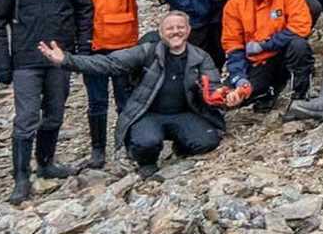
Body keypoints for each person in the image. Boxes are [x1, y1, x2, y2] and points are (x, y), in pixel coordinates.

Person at [40, 0, 168, 170]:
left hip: (124, 47)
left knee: (125, 100)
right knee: (96, 101)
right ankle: (98, 151)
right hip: (94, 46)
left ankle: (127, 145)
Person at [37, 10, 224, 179]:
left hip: (184, 114)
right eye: (170, 28)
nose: (176, 32)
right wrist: (66, 60)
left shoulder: (200, 57)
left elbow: (214, 87)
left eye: (180, 27)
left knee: (207, 140)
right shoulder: (146, 52)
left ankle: (181, 147)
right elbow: (107, 63)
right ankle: (147, 163)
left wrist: (224, 96)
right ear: (161, 33)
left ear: (188, 30)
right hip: (148, 113)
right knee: (145, 143)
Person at [0, 0, 96, 203]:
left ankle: (46, 163)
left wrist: (82, 50)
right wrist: (1, 62)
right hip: (26, 60)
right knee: (26, 119)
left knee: (55, 114)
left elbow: (85, 9)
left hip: (60, 59)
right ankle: (21, 177)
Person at [218, 0, 315, 111]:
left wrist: (264, 45)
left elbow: (301, 26)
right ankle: (268, 91)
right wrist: (239, 78)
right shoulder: (234, 4)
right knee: (230, 98)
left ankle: (300, 95)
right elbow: (232, 45)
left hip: (282, 54)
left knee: (299, 45)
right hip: (256, 62)